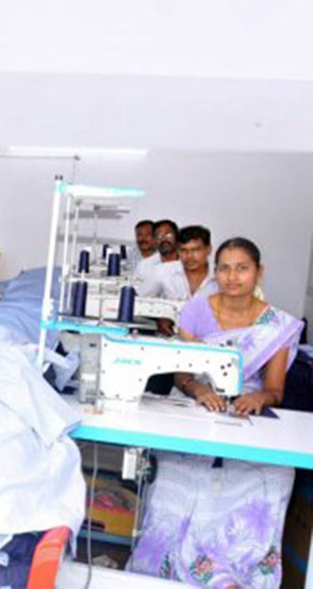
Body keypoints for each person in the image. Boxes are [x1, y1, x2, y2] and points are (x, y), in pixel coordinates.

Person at [128, 238, 302, 588]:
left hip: (247, 410)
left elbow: (275, 390)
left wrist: (259, 398)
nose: (232, 277)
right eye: (224, 268)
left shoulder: (276, 324)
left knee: (277, 472)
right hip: (195, 401)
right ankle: (165, 568)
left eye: (242, 268)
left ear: (259, 272)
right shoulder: (195, 311)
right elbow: (182, 375)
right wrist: (199, 390)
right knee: (178, 469)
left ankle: (235, 571)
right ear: (215, 271)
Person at [139, 225, 217, 301]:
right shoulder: (162, 272)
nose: (189, 256)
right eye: (183, 250)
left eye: (195, 250)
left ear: (208, 249)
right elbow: (140, 301)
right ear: (177, 250)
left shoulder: (219, 275)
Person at [134, 219, 178, 291]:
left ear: (177, 237)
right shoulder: (144, 266)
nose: (164, 239)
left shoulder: (188, 263)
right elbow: (137, 292)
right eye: (159, 236)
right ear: (154, 240)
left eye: (168, 235)